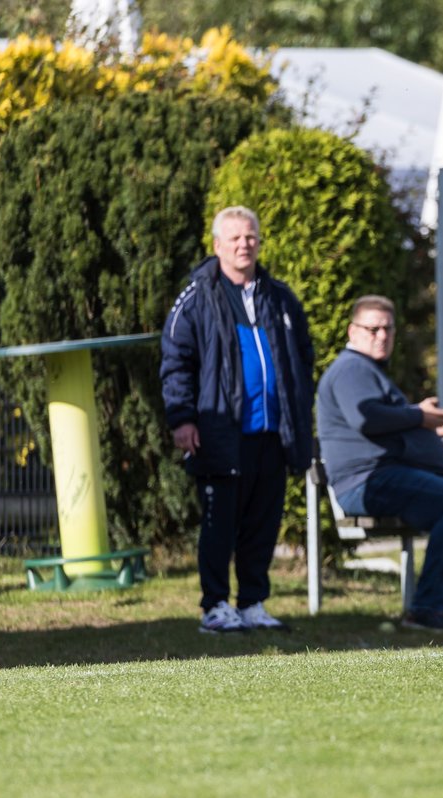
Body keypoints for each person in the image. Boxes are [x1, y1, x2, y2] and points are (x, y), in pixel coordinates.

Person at [161, 206, 315, 633]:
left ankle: (252, 603)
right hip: (221, 434)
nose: (244, 245)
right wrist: (182, 419)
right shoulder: (196, 297)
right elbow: (176, 362)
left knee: (262, 525)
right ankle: (215, 606)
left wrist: (298, 409)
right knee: (219, 526)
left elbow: (303, 355)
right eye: (234, 238)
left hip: (271, 433)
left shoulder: (279, 296)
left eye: (250, 237)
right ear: (217, 246)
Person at [316, 295, 443, 633]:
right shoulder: (351, 368)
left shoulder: (370, 371)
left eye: (387, 329)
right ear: (352, 331)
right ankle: (426, 608)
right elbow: (368, 418)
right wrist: (420, 415)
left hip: (395, 475)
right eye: (372, 329)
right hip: (367, 481)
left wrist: (433, 427)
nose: (381, 336)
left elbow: (391, 424)